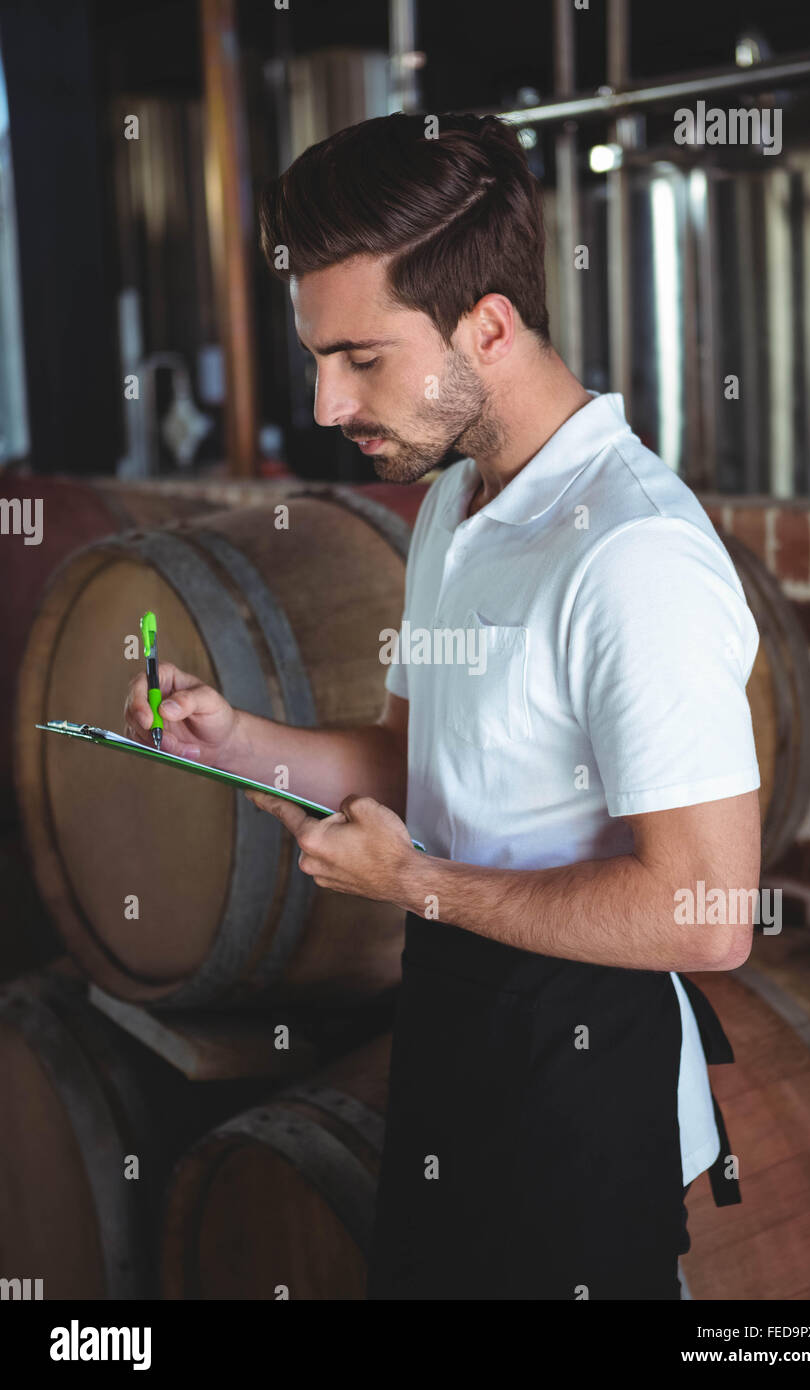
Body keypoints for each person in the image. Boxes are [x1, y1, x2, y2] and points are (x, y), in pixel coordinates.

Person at [125, 112, 759, 1300]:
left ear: (490, 326)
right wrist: (239, 736)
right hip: (453, 1046)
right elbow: (423, 764)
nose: (323, 403)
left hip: (584, 1094)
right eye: (317, 354)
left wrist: (409, 880)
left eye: (359, 357)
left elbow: (704, 912)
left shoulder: (630, 552)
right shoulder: (459, 499)